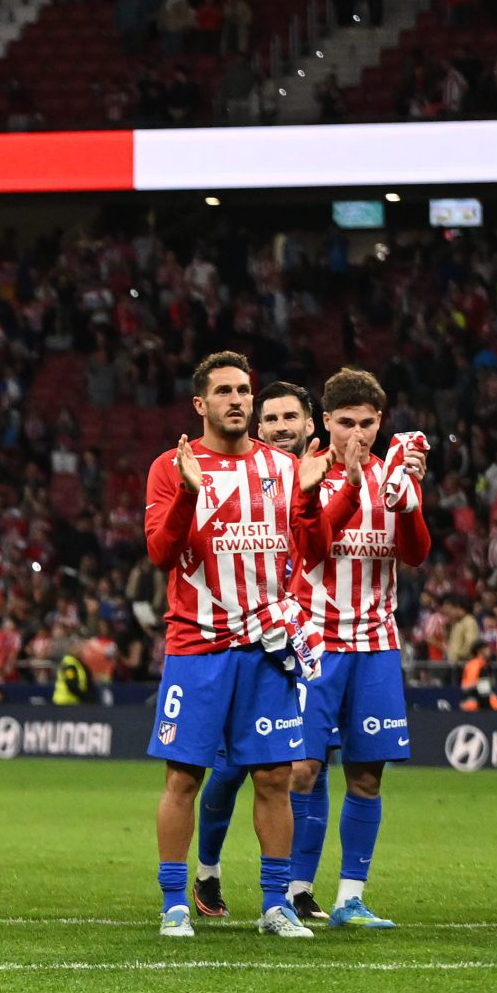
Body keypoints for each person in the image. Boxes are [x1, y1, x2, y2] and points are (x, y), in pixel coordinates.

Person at [145, 351, 330, 940]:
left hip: (265, 650)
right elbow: (159, 553)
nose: (237, 400)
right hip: (197, 646)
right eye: (223, 391)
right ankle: (176, 901)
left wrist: (307, 499)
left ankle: (275, 903)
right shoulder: (172, 466)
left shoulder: (282, 465)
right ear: (200, 404)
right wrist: (187, 495)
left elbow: (316, 551)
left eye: (244, 391)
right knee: (184, 778)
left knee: (275, 778)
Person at [284, 368, 429, 928]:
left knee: (367, 775)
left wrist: (411, 502)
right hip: (316, 640)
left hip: (375, 642)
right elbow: (314, 547)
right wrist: (347, 483)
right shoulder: (309, 474)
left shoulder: (394, 476)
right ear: (326, 422)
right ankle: (296, 891)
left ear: (380, 424)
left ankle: (349, 897)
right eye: (346, 423)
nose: (357, 435)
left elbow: (414, 554)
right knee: (303, 768)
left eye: (367, 424)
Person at [191, 377, 313, 916]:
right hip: (245, 639)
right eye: (272, 419)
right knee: (230, 769)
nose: (281, 428)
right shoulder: (244, 474)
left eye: (292, 418)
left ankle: (297, 889)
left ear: (312, 424)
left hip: (314, 636)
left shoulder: (318, 477)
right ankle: (209, 870)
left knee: (303, 765)